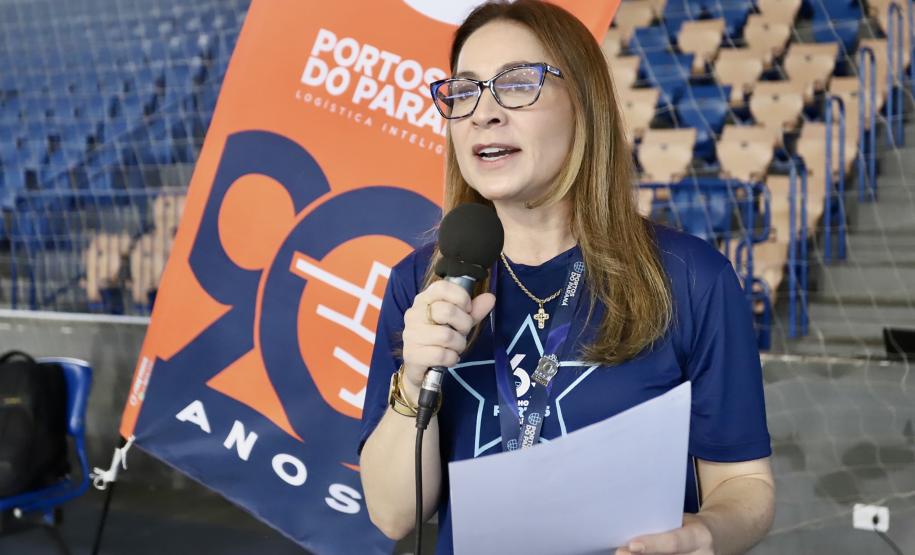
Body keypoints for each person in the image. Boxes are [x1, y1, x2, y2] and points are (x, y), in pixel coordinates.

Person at [359, 1, 775, 553]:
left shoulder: (690, 278)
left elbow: (744, 484)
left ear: (584, 103)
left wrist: (705, 533)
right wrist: (414, 381)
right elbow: (393, 516)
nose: (483, 113)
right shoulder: (422, 284)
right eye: (464, 90)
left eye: (516, 84)